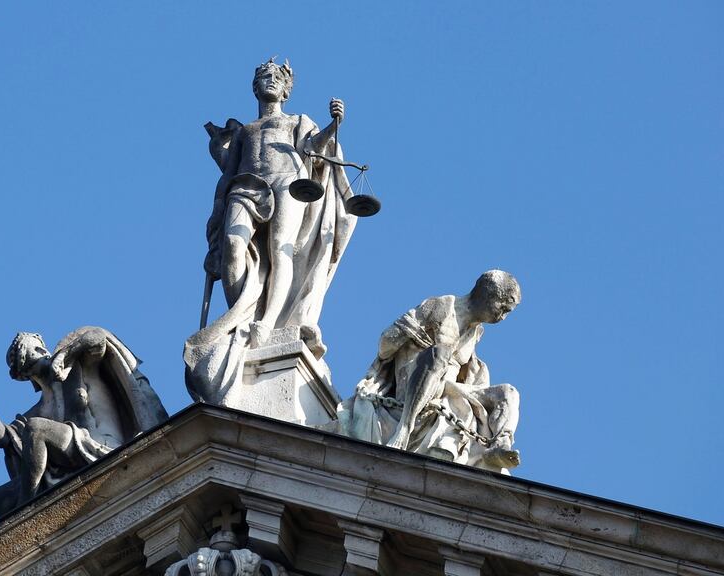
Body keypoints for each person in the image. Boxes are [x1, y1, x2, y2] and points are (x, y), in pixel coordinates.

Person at [186, 59, 357, 403]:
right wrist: (217, 216)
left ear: (285, 89)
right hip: (247, 185)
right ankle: (241, 314)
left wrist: (334, 123)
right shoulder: (246, 131)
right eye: (263, 77)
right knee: (235, 245)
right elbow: (226, 172)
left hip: (289, 182)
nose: (269, 82)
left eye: (275, 78)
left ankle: (268, 322)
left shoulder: (297, 121)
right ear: (255, 87)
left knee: (282, 248)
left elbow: (314, 147)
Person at [0, 327, 168, 519]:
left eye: (36, 348)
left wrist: (64, 354)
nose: (41, 352)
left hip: (99, 445)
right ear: (23, 374)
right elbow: (4, 438)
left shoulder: (77, 367)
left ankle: (26, 511)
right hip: (70, 456)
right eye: (30, 354)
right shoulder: (42, 407)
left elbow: (97, 337)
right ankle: (21, 523)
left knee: (37, 428)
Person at [342, 270, 523, 472]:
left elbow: (466, 371)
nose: (503, 317)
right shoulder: (440, 307)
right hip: (412, 379)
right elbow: (385, 345)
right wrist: (408, 332)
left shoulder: (476, 331)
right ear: (487, 295)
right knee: (440, 354)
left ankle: (499, 446)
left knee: (509, 393)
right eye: (503, 307)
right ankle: (404, 429)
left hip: (446, 387)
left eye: (508, 312)